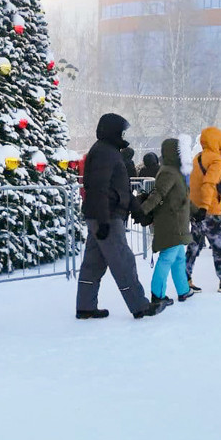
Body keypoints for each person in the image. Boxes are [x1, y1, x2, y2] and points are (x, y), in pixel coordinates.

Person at [78, 113, 165, 319]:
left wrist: (139, 213)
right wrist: (103, 220)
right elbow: (99, 189)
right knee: (123, 260)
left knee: (94, 262)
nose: (124, 134)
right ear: (112, 131)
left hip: (102, 214)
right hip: (106, 216)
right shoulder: (105, 152)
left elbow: (122, 189)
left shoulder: (108, 151)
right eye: (122, 130)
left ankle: (85, 306)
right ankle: (140, 305)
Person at [140, 138, 194, 304]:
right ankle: (158, 295)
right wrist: (142, 210)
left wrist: (198, 211)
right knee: (167, 258)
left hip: (177, 221)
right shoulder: (169, 172)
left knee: (178, 258)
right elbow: (158, 194)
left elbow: (183, 197)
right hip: (171, 222)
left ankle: (183, 290)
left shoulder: (177, 171)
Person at [185, 126, 221, 293]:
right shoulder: (216, 159)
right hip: (210, 211)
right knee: (220, 247)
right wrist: (205, 207)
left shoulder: (197, 158)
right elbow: (209, 184)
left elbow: (198, 185)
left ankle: (185, 279)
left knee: (193, 245)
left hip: (196, 210)